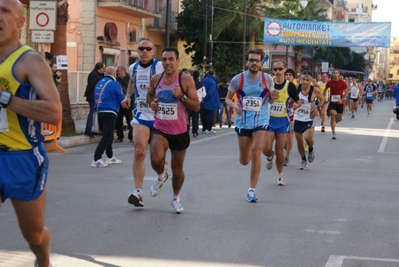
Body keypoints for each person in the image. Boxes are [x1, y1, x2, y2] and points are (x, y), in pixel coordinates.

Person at [0, 1, 62, 267]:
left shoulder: (30, 61)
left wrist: (7, 99)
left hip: (24, 159)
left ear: (20, 22)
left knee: (34, 236)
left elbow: (54, 112)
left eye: (4, 11)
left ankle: (44, 260)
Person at [147, 47, 200, 213]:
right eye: (164, 59)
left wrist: (182, 97)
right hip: (160, 128)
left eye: (171, 59)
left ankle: (176, 197)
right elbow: (150, 95)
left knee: (178, 170)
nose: (167, 62)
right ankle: (162, 175)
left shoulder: (186, 80)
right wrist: (152, 104)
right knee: (156, 159)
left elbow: (197, 106)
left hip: (179, 131)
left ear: (177, 61)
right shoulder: (156, 79)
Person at [225, 49, 277, 202]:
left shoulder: (267, 79)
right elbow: (227, 99)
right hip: (243, 121)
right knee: (244, 160)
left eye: (257, 60)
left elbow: (272, 97)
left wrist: (273, 97)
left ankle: (252, 190)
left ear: (262, 63)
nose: (254, 63)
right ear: (247, 62)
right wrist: (234, 105)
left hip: (261, 119)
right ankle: (266, 155)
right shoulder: (237, 79)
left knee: (256, 151)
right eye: (251, 60)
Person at [121, 37, 163, 207]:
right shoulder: (133, 68)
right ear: (137, 51)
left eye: (148, 48)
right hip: (141, 115)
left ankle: (162, 174)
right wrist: (127, 96)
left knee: (157, 158)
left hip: (159, 116)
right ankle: (138, 192)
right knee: (139, 151)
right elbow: (132, 81)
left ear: (153, 51)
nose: (144, 51)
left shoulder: (159, 66)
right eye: (141, 49)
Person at [264, 59, 300, 186]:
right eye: (275, 69)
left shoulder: (289, 86)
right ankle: (269, 156)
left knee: (280, 151)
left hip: (282, 121)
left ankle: (279, 175)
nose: (278, 72)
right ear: (272, 71)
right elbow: (263, 100)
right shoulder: (269, 84)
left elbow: (298, 100)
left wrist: (295, 105)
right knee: (266, 148)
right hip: (268, 120)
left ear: (285, 70)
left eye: (280, 69)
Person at [91, 67, 125, 167]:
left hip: (99, 110)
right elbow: (122, 98)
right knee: (107, 136)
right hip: (109, 111)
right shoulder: (115, 84)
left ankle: (110, 157)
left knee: (107, 134)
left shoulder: (99, 82)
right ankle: (96, 158)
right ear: (114, 74)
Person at [293, 71, 325, 170]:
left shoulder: (314, 90)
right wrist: (293, 105)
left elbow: (322, 99)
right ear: (300, 80)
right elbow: (290, 99)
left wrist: (317, 108)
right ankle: (303, 160)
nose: (305, 82)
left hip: (309, 118)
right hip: (297, 118)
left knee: (308, 139)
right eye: (303, 79)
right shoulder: (296, 88)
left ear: (311, 81)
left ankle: (310, 149)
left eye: (307, 80)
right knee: (299, 141)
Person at [325, 69, 348, 139]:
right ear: (332, 74)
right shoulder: (330, 82)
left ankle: (337, 118)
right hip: (332, 102)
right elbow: (325, 89)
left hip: (340, 102)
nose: (335, 74)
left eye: (336, 73)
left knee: (340, 119)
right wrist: (324, 97)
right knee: (332, 113)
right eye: (334, 73)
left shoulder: (342, 82)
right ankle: (333, 133)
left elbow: (346, 91)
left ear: (339, 74)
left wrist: (343, 99)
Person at [84, 62, 105, 138]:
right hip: (93, 97)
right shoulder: (94, 75)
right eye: (103, 68)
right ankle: (89, 129)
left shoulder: (99, 75)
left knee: (96, 113)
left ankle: (95, 129)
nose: (104, 70)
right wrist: (87, 93)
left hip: (97, 97)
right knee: (92, 113)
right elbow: (91, 86)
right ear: (99, 68)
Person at [115, 66, 133, 142]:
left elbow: (132, 90)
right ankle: (120, 136)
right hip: (119, 102)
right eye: (117, 71)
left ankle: (131, 136)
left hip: (127, 102)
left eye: (119, 71)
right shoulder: (117, 79)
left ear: (124, 71)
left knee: (130, 120)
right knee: (118, 120)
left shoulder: (129, 79)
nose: (118, 72)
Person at [283, 68, 297, 167]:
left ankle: (287, 157)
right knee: (281, 137)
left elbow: (299, 100)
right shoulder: (278, 86)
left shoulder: (295, 88)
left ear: (293, 77)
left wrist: (297, 105)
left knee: (290, 135)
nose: (288, 76)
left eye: (290, 75)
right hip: (278, 115)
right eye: (286, 74)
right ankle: (284, 146)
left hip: (291, 114)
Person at [201, 69, 220, 134]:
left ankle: (204, 128)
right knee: (210, 116)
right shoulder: (213, 82)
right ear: (213, 74)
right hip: (211, 101)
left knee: (204, 115)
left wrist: (202, 98)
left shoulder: (203, 80)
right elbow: (210, 92)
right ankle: (208, 128)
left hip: (203, 100)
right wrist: (205, 98)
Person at [187, 70, 204, 138]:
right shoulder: (200, 85)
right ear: (198, 76)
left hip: (189, 102)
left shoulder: (189, 83)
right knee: (195, 117)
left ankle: (186, 131)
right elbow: (204, 94)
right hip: (197, 102)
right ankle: (195, 132)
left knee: (187, 117)